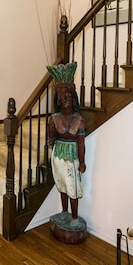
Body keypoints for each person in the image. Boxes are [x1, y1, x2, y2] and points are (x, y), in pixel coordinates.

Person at [46, 62, 86, 229]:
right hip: (58, 155)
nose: (64, 101)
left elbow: (81, 144)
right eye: (61, 98)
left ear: (73, 98)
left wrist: (82, 162)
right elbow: (51, 140)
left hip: (72, 156)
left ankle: (75, 216)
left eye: (67, 97)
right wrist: (50, 137)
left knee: (72, 187)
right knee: (62, 185)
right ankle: (64, 212)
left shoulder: (80, 121)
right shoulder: (53, 119)